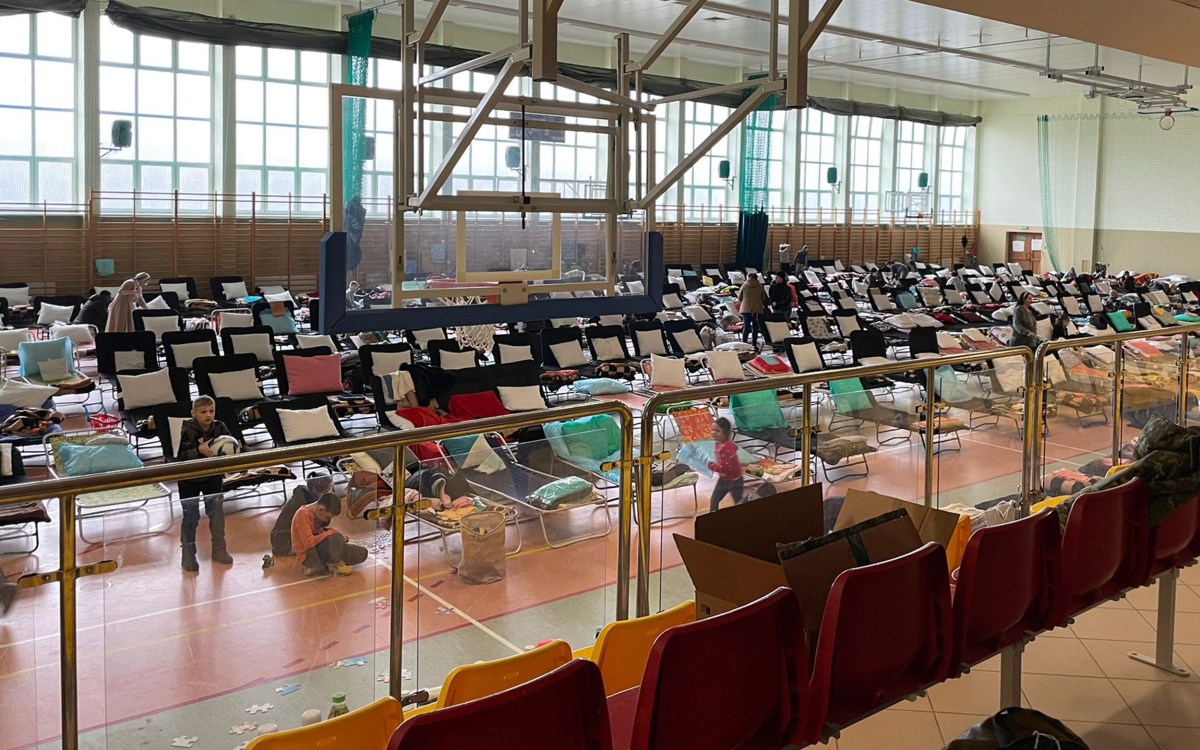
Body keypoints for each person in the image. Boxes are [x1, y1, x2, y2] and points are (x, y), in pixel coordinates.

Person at [177, 395, 235, 572]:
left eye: (211, 411)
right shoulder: (188, 429)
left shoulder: (220, 426)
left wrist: (236, 449)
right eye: (203, 412)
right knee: (190, 518)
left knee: (217, 516)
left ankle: (219, 550)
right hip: (189, 479)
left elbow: (230, 443)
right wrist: (198, 450)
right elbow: (180, 456)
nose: (208, 415)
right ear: (193, 413)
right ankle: (188, 555)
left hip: (212, 477)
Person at [291, 493, 360, 577]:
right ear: (321, 509)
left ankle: (329, 562)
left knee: (361, 553)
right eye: (327, 517)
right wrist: (331, 533)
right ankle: (332, 564)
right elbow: (308, 542)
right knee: (335, 536)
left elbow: (324, 535)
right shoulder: (302, 514)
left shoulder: (318, 514)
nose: (327, 520)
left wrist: (339, 539)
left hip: (321, 548)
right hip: (309, 554)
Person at [270, 474, 335, 557]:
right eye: (325, 492)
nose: (328, 495)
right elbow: (310, 535)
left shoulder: (307, 495)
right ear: (315, 490)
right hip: (283, 544)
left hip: (282, 538)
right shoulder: (303, 504)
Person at [707, 417, 744, 512]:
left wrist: (711, 465)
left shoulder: (725, 447)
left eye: (717, 431)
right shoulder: (722, 444)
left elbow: (723, 467)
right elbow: (734, 448)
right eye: (712, 430)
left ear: (726, 433)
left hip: (733, 481)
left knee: (737, 502)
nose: (713, 433)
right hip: (728, 478)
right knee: (716, 500)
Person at [737, 272, 766, 345]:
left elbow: (740, 298)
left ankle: (744, 343)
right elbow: (763, 298)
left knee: (746, 327)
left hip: (746, 309)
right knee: (755, 327)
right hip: (757, 309)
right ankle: (754, 344)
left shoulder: (744, 285)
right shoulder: (760, 286)